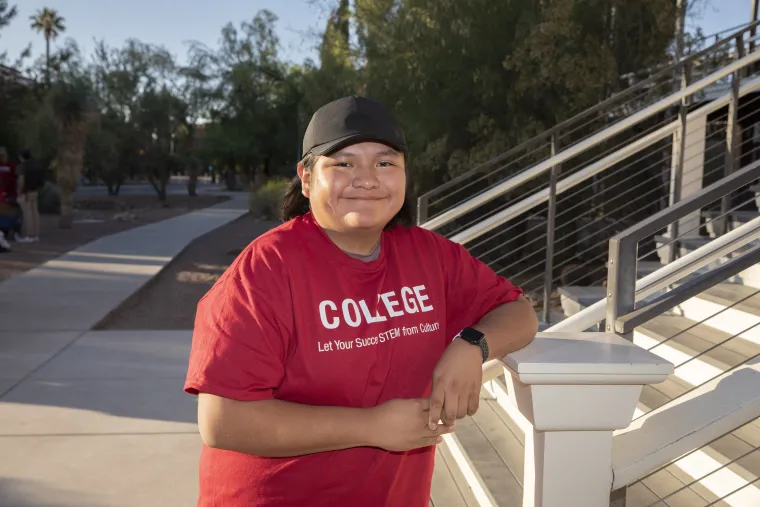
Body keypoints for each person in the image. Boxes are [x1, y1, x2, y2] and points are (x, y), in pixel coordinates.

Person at [184, 96, 538, 507]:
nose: (367, 179)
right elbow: (223, 422)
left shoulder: (430, 256)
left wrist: (473, 344)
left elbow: (520, 312)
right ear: (306, 176)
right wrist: (371, 427)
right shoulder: (264, 271)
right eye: (344, 163)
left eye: (385, 163)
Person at [16, 148, 45, 243]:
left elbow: (21, 181)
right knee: (35, 213)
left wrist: (19, 192)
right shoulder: (35, 166)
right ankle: (36, 234)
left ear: (21, 156)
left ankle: (29, 235)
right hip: (35, 191)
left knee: (28, 214)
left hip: (26, 192)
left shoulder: (22, 167)